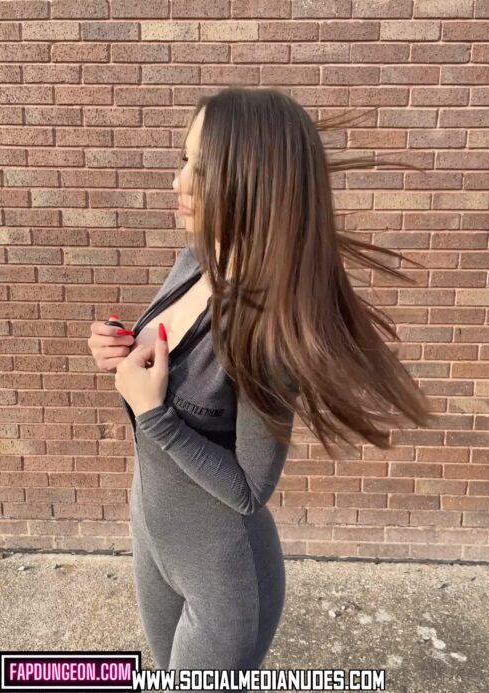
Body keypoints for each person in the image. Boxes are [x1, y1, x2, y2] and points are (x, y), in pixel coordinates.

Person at [88, 87, 435, 681]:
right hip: (153, 539)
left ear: (252, 182)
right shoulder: (197, 259)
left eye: (202, 169)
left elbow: (249, 490)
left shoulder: (266, 330)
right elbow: (161, 362)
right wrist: (121, 346)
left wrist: (154, 416)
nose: (179, 182)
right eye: (184, 159)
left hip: (223, 580)